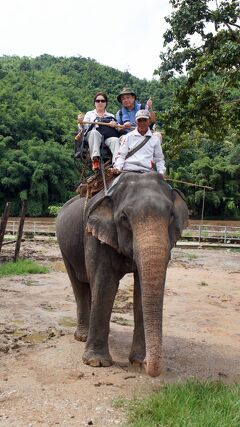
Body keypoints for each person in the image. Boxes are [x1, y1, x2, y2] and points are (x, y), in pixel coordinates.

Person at [113, 109, 166, 176]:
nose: (142, 123)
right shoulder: (128, 137)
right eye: (139, 120)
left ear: (149, 121)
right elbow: (121, 155)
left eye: (144, 120)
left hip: (147, 172)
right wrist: (118, 167)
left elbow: (159, 159)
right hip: (128, 170)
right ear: (136, 122)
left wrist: (161, 172)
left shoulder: (155, 139)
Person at [78, 92, 119, 171]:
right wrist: (81, 122)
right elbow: (84, 127)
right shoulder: (89, 114)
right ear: (94, 103)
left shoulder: (111, 115)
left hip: (107, 137)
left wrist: (115, 125)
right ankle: (95, 160)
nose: (100, 102)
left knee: (115, 140)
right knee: (94, 133)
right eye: (98, 101)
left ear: (106, 103)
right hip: (93, 137)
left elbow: (117, 128)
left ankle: (117, 165)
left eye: (102, 101)